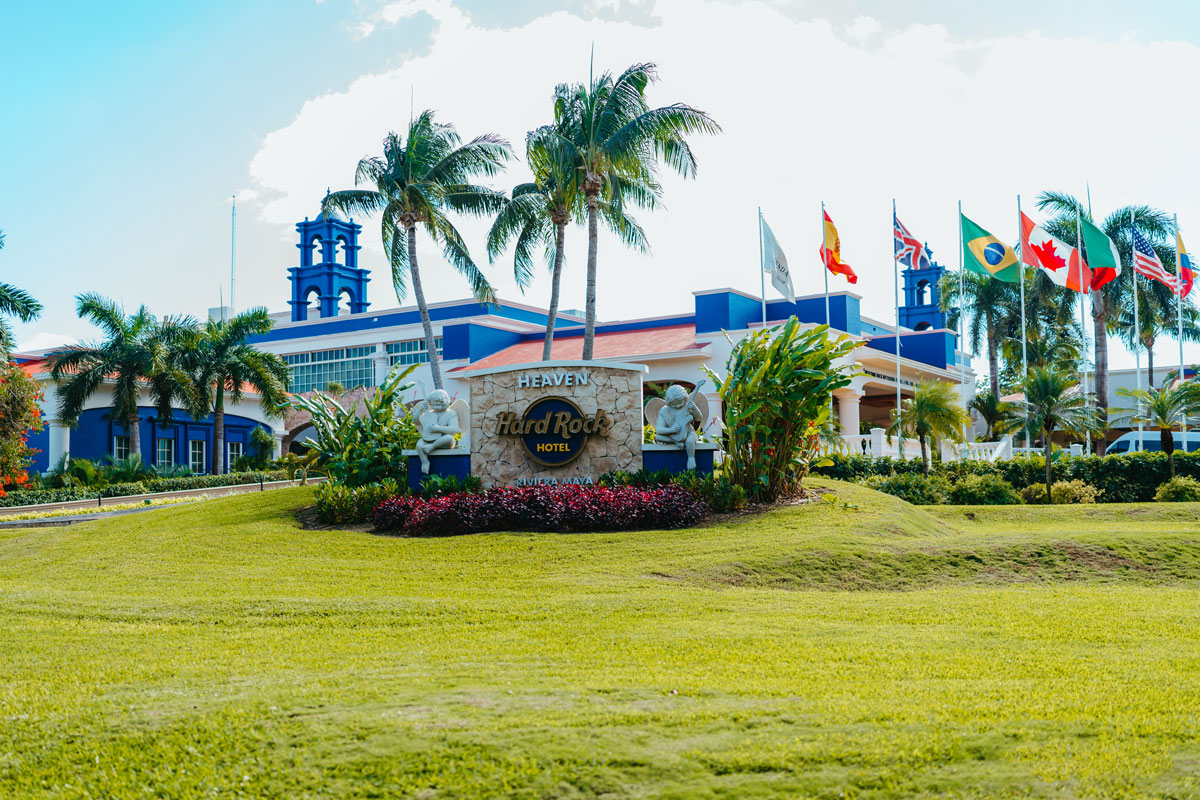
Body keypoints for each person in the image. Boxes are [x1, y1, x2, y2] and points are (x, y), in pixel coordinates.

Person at [655, 384, 701, 470]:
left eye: (680, 403)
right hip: (673, 435)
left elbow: (698, 418)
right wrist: (671, 430)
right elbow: (659, 430)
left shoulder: (687, 406)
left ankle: (691, 459)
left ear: (684, 398)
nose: (678, 406)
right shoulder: (664, 410)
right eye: (673, 404)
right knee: (658, 437)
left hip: (688, 433)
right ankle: (676, 441)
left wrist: (694, 409)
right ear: (668, 402)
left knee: (689, 441)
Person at [416, 389, 459, 473]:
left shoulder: (451, 413)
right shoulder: (430, 413)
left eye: (438, 404)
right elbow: (416, 421)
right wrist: (420, 410)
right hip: (429, 439)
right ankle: (425, 462)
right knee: (419, 445)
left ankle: (432, 447)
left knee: (449, 438)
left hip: (443, 439)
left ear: (445, 402)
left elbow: (453, 429)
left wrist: (437, 428)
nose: (435, 407)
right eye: (433, 404)